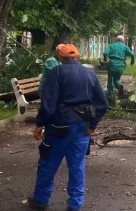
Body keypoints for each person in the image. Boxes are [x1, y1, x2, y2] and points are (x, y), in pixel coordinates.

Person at [28, 44, 109, 211]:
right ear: (78, 57)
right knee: (77, 165)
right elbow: (103, 104)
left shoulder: (56, 73)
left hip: (59, 126)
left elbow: (48, 104)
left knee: (48, 162)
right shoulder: (90, 74)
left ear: (60, 58)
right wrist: (93, 124)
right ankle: (75, 204)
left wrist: (39, 124)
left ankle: (41, 198)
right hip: (82, 127)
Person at [102, 35, 136, 101]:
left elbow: (105, 53)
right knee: (117, 79)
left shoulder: (111, 46)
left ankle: (110, 95)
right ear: (123, 40)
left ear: (116, 40)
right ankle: (119, 85)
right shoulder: (125, 47)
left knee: (110, 81)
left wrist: (105, 59)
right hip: (121, 65)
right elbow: (132, 54)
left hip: (112, 65)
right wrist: (132, 61)